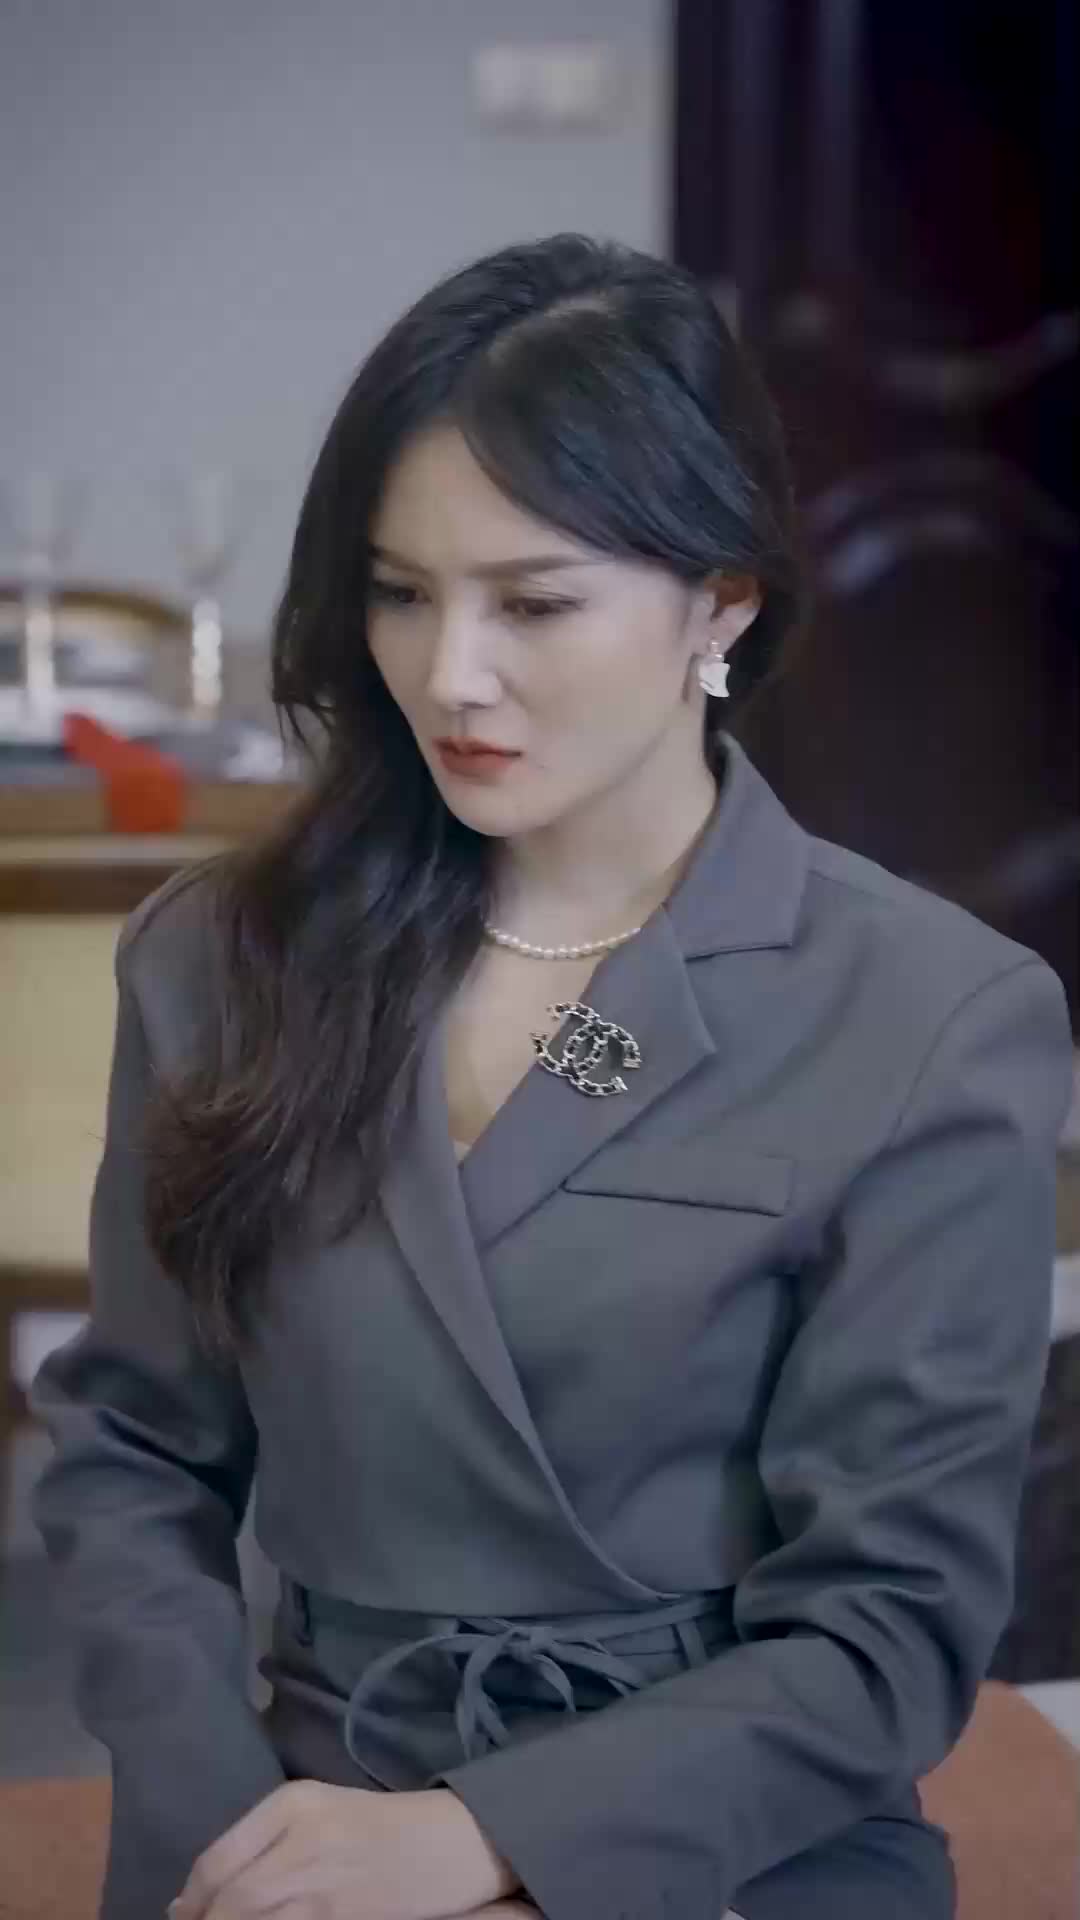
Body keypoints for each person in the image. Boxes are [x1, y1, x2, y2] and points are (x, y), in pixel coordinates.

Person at [31, 233, 1072, 1920]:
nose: (451, 674)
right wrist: (233, 1832)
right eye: (400, 591)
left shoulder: (928, 1014)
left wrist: (481, 1842)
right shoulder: (223, 957)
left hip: (728, 1842)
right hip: (299, 1817)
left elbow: (889, 1628)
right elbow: (133, 1454)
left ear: (720, 603)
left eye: (533, 602)